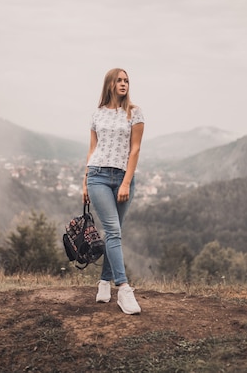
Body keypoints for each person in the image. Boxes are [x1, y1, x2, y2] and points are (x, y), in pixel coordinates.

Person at [82, 68, 145, 315]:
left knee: (114, 232)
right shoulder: (97, 114)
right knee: (113, 230)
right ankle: (124, 289)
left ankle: (104, 281)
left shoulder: (134, 113)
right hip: (97, 175)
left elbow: (135, 149)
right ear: (109, 84)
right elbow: (92, 149)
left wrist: (127, 182)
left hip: (122, 177)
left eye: (126, 80)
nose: (123, 84)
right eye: (119, 80)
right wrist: (85, 181)